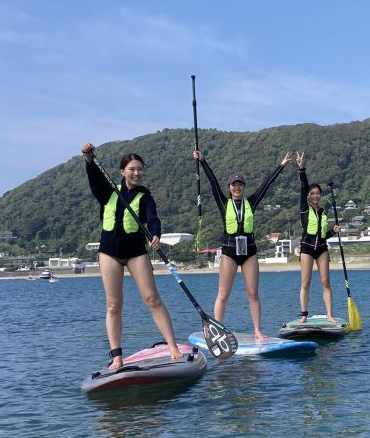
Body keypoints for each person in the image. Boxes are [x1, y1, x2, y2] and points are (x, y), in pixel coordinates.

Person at [81, 142, 182, 369]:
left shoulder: (145, 196)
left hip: (136, 252)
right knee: (113, 305)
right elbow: (94, 180)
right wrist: (88, 158)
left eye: (140, 169)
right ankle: (117, 356)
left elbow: (153, 218)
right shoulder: (108, 192)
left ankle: (172, 346)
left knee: (152, 299)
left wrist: (155, 234)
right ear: (122, 172)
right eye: (132, 169)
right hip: (109, 253)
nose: (136, 173)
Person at [193, 149, 293, 340]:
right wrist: (203, 161)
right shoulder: (223, 203)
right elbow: (213, 183)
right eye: (233, 184)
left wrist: (281, 165)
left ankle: (257, 331)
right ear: (230, 187)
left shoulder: (252, 202)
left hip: (249, 251)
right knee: (223, 294)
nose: (237, 187)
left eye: (240, 184)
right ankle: (218, 330)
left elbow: (267, 184)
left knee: (253, 293)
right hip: (230, 251)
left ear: (243, 187)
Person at [295, 152, 340, 323]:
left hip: (322, 249)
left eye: (317, 193)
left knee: (325, 282)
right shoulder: (304, 209)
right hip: (307, 248)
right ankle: (304, 315)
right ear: (308, 195)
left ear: (320, 195)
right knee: (305, 282)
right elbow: (303, 186)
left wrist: (333, 231)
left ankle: (329, 315)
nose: (315, 196)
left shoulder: (323, 212)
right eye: (312, 193)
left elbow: (324, 235)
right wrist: (301, 168)